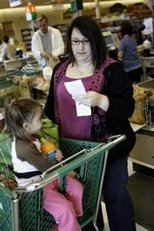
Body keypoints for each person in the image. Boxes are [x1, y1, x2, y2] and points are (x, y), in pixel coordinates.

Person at [44, 16, 136, 231]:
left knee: (115, 196)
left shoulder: (113, 70)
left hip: (108, 150)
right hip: (72, 153)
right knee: (84, 201)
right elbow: (50, 109)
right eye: (76, 41)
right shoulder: (59, 71)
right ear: (69, 43)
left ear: (95, 41)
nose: (81, 47)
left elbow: (127, 108)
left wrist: (102, 100)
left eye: (86, 41)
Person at [4, 97, 83, 231]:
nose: (42, 120)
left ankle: (70, 222)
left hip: (46, 178)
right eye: (40, 119)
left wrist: (54, 153)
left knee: (76, 187)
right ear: (26, 126)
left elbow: (44, 157)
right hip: (35, 189)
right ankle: (68, 224)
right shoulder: (23, 147)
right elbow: (46, 166)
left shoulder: (31, 137)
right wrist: (68, 171)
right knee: (64, 208)